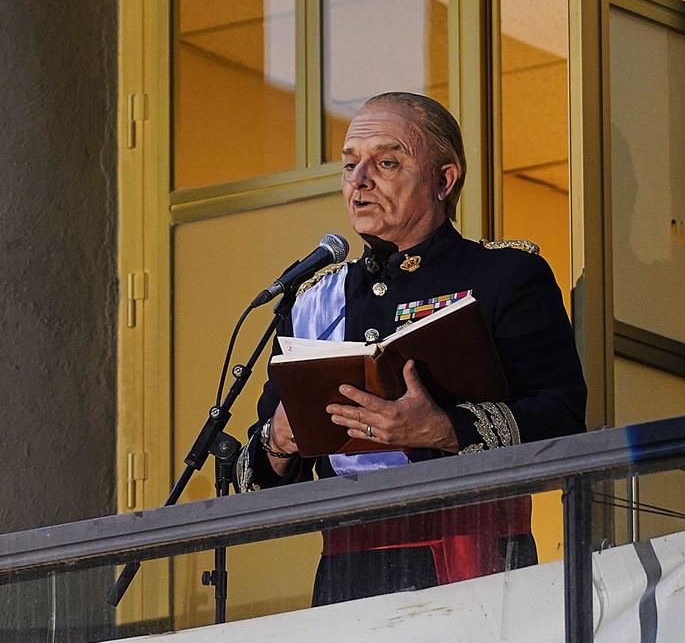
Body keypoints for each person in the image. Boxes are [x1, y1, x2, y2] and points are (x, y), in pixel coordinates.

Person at [238, 91, 588, 603]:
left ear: (444, 181)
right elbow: (258, 478)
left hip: (477, 558)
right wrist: (281, 442)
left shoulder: (504, 277)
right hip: (348, 574)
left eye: (386, 162)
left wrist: (444, 429)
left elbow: (562, 417)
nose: (359, 181)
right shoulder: (315, 299)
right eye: (351, 165)